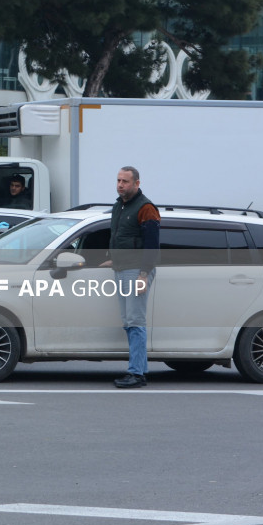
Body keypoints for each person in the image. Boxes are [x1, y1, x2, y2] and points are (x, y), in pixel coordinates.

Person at [105, 166, 160, 389]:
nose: (120, 185)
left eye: (125, 181)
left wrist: (143, 275)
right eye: (118, 180)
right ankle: (140, 369)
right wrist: (112, 259)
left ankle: (136, 374)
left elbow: (151, 246)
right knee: (129, 322)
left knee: (136, 322)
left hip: (136, 270)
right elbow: (120, 237)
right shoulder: (119, 206)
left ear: (137, 183)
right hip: (121, 268)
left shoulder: (146, 208)